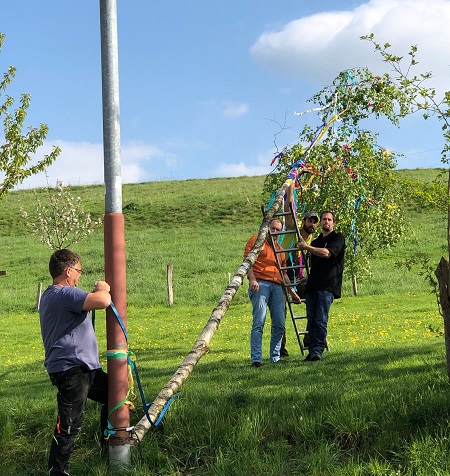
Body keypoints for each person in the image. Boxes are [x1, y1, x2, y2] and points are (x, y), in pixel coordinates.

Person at [39, 249, 112, 475]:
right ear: (69, 271)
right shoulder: (64, 294)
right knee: (69, 425)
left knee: (115, 394)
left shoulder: (52, 296)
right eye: (79, 271)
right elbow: (103, 300)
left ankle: (108, 449)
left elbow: (84, 303)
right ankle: (57, 472)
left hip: (83, 369)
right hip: (72, 371)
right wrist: (103, 288)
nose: (79, 276)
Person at [245, 219, 301, 367]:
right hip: (260, 283)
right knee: (259, 321)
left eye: (278, 230)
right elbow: (247, 261)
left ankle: (275, 357)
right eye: (273, 229)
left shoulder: (280, 249)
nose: (275, 232)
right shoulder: (256, 241)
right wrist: (252, 279)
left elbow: (284, 274)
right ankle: (256, 359)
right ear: (267, 228)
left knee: (280, 324)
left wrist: (292, 292)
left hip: (277, 286)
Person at [297, 211, 345, 362]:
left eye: (329, 219)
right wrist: (305, 278)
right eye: (324, 219)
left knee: (320, 319)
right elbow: (315, 266)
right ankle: (312, 351)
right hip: (313, 286)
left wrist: (306, 247)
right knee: (311, 319)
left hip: (327, 285)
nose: (326, 222)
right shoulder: (316, 241)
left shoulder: (338, 238)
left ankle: (317, 350)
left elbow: (326, 254)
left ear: (333, 223)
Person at [278, 180, 319, 356]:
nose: (312, 224)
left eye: (314, 222)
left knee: (317, 301)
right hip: (282, 277)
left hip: (298, 279)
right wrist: (292, 184)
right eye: (310, 220)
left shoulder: (311, 239)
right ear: (303, 221)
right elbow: (289, 207)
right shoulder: (292, 229)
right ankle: (280, 348)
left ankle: (310, 341)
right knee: (280, 314)